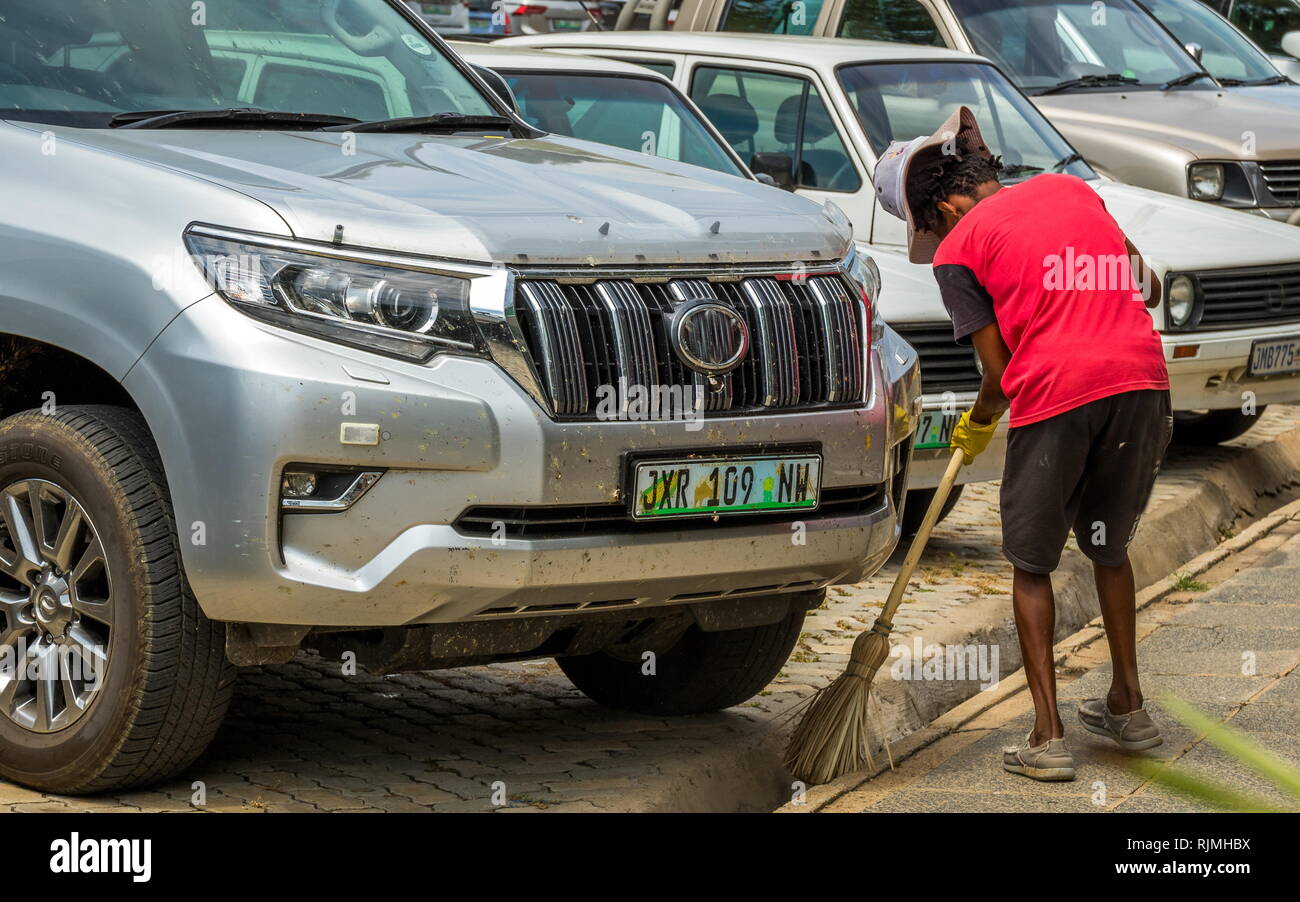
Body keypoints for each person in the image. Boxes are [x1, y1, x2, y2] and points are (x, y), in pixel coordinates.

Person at [873, 107, 1173, 782]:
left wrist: (977, 424)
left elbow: (1001, 375)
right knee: (1109, 548)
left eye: (930, 227)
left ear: (945, 209)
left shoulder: (956, 251)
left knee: (1031, 565)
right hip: (1143, 380)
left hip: (1059, 394)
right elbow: (1144, 281)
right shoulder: (1071, 190)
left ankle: (1047, 737)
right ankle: (1129, 705)